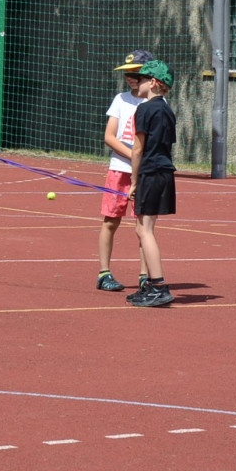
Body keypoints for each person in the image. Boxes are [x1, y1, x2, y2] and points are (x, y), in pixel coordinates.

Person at [97, 49, 154, 291]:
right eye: (127, 74)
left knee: (143, 225)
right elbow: (110, 136)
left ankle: (144, 275)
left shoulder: (155, 103)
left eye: (136, 73)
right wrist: (133, 156)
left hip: (143, 174)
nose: (130, 78)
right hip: (119, 170)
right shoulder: (120, 100)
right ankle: (104, 273)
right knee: (110, 221)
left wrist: (141, 164)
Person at [127, 60, 177, 307]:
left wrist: (133, 181)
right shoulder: (167, 110)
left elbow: (138, 149)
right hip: (164, 171)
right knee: (143, 228)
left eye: (144, 78)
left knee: (144, 229)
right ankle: (150, 284)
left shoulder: (144, 109)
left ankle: (158, 285)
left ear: (155, 83)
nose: (139, 82)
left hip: (150, 172)